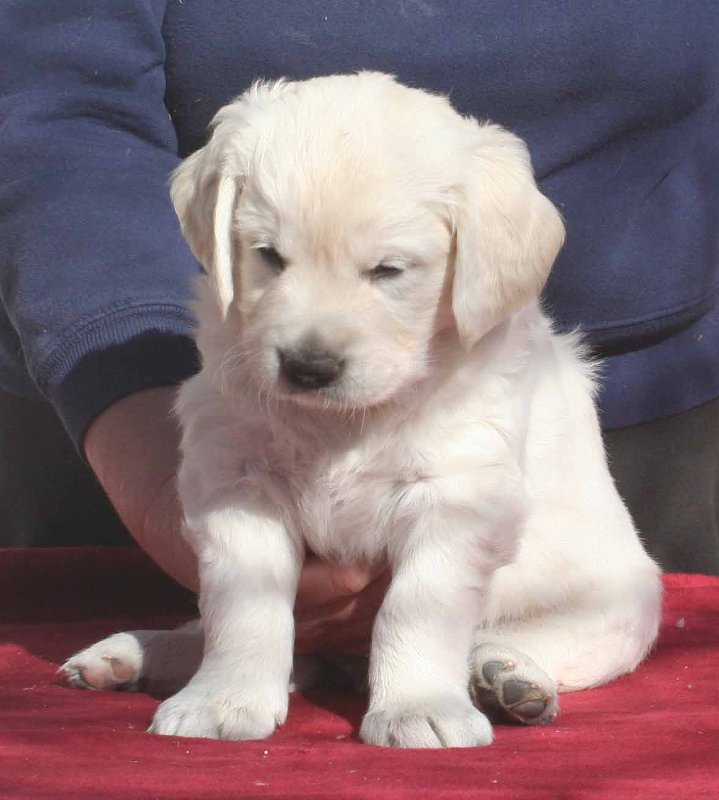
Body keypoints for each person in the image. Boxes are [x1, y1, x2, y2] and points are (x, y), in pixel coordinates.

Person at [1, 2, 717, 653]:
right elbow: (57, 108)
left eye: (386, 271)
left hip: (625, 406)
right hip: (144, 409)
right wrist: (152, 456)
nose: (315, 343)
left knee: (584, 617)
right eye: (270, 256)